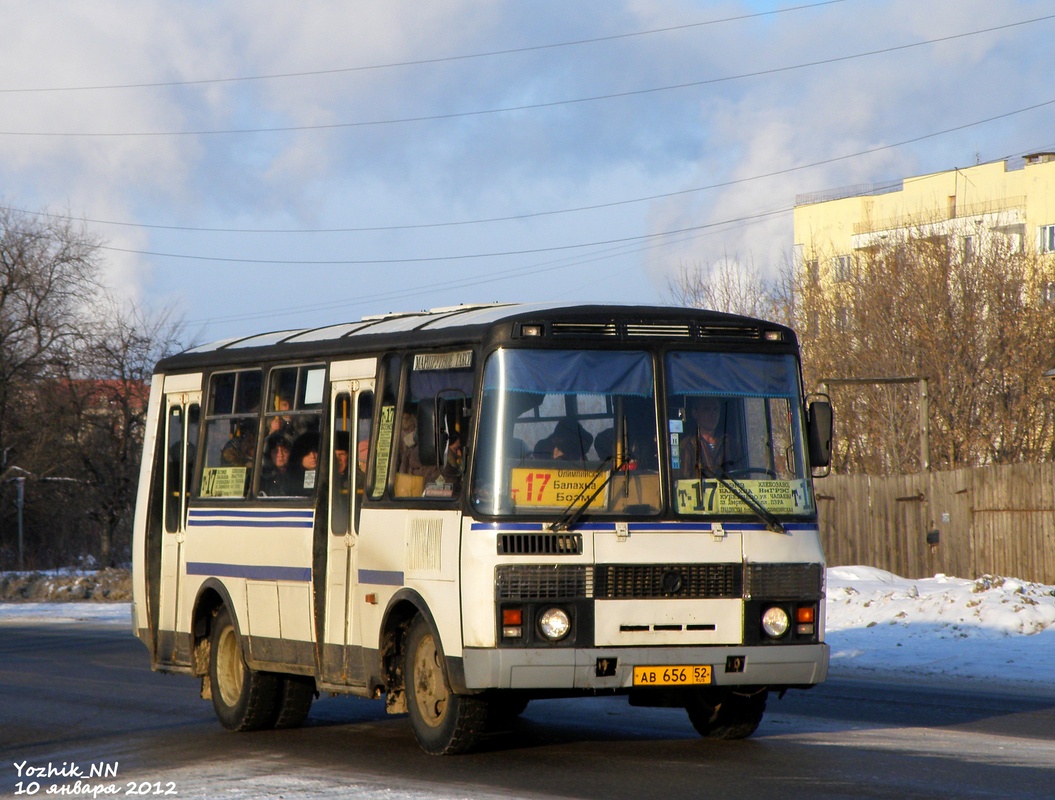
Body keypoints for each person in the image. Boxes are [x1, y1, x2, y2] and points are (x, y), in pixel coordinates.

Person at [680, 396, 729, 477]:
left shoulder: (729, 443)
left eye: (716, 409)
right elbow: (683, 481)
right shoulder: (687, 446)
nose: (713, 414)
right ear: (695, 413)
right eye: (707, 409)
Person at [260, 432, 297, 496]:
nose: (280, 455)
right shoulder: (262, 478)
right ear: (269, 454)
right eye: (275, 451)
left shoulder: (297, 476)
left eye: (285, 451)